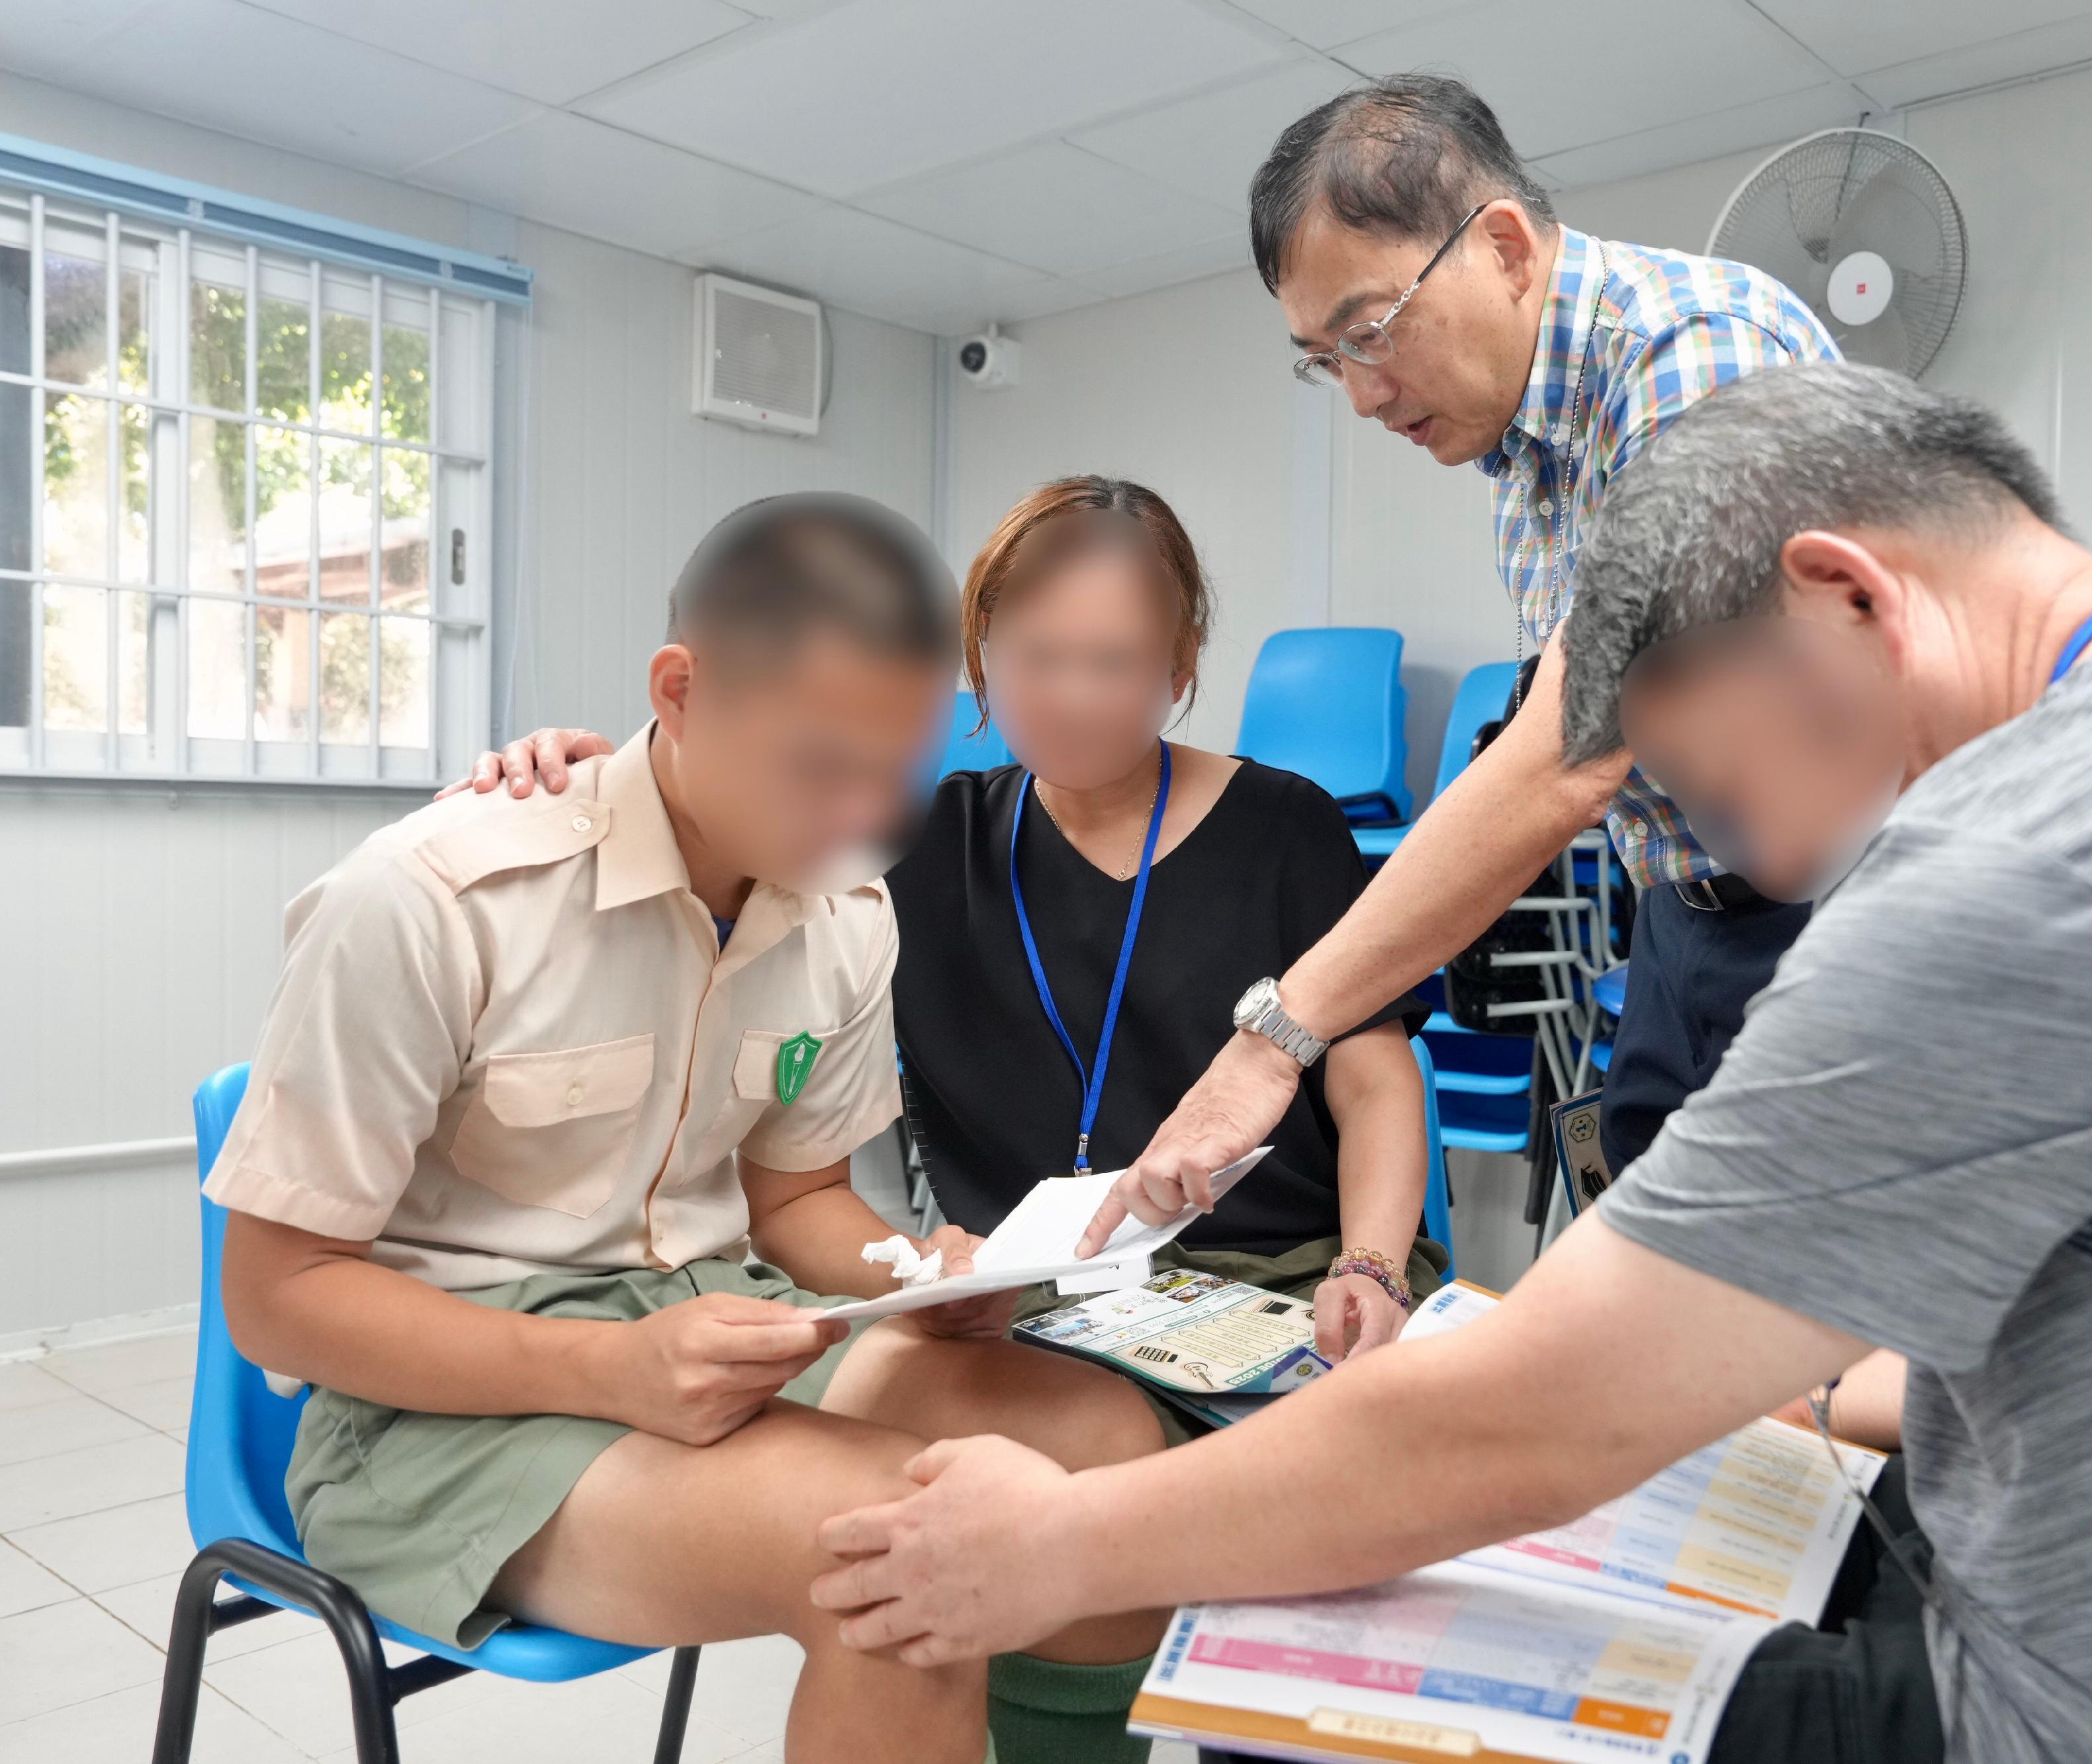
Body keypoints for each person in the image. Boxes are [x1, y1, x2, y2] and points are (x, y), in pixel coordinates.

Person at [797, 367, 2092, 1764]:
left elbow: (1536, 1419)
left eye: (1725, 789)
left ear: (1850, 595)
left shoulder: (2039, 854)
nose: (1756, 864)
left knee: (1336, 1649)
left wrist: (1052, 1553)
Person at [203, 494, 1174, 1764]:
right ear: (681, 688)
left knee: (1109, 1450)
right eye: (826, 765)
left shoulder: (844, 912)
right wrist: (605, 1372)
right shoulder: (433, 899)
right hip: (437, 1411)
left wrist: (919, 1275)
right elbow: (276, 1300)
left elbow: (799, 1201)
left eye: (901, 774)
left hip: (725, 1332)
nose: (863, 817)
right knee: (907, 1556)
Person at [1095, 73, 1847, 1262]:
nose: (1358, 394)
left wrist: (1276, 1036)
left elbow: (1569, 757)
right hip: (1686, 912)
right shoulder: (1521, 467)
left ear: (1500, 245)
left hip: (1852, 912)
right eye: (1322, 358)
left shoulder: (1694, 358)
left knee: (1839, 1347)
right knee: (1661, 1298)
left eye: (1371, 331)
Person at [447, 476, 1443, 1364]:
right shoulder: (917, 839)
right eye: (1036, 657)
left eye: (1116, 661)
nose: (1073, 696)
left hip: (1281, 1276)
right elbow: (724, 816)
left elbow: (1372, 1073)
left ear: (1181, 666)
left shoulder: (1285, 826)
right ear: (980, 655)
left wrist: (1372, 1264)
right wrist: (585, 776)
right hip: (1026, 1297)